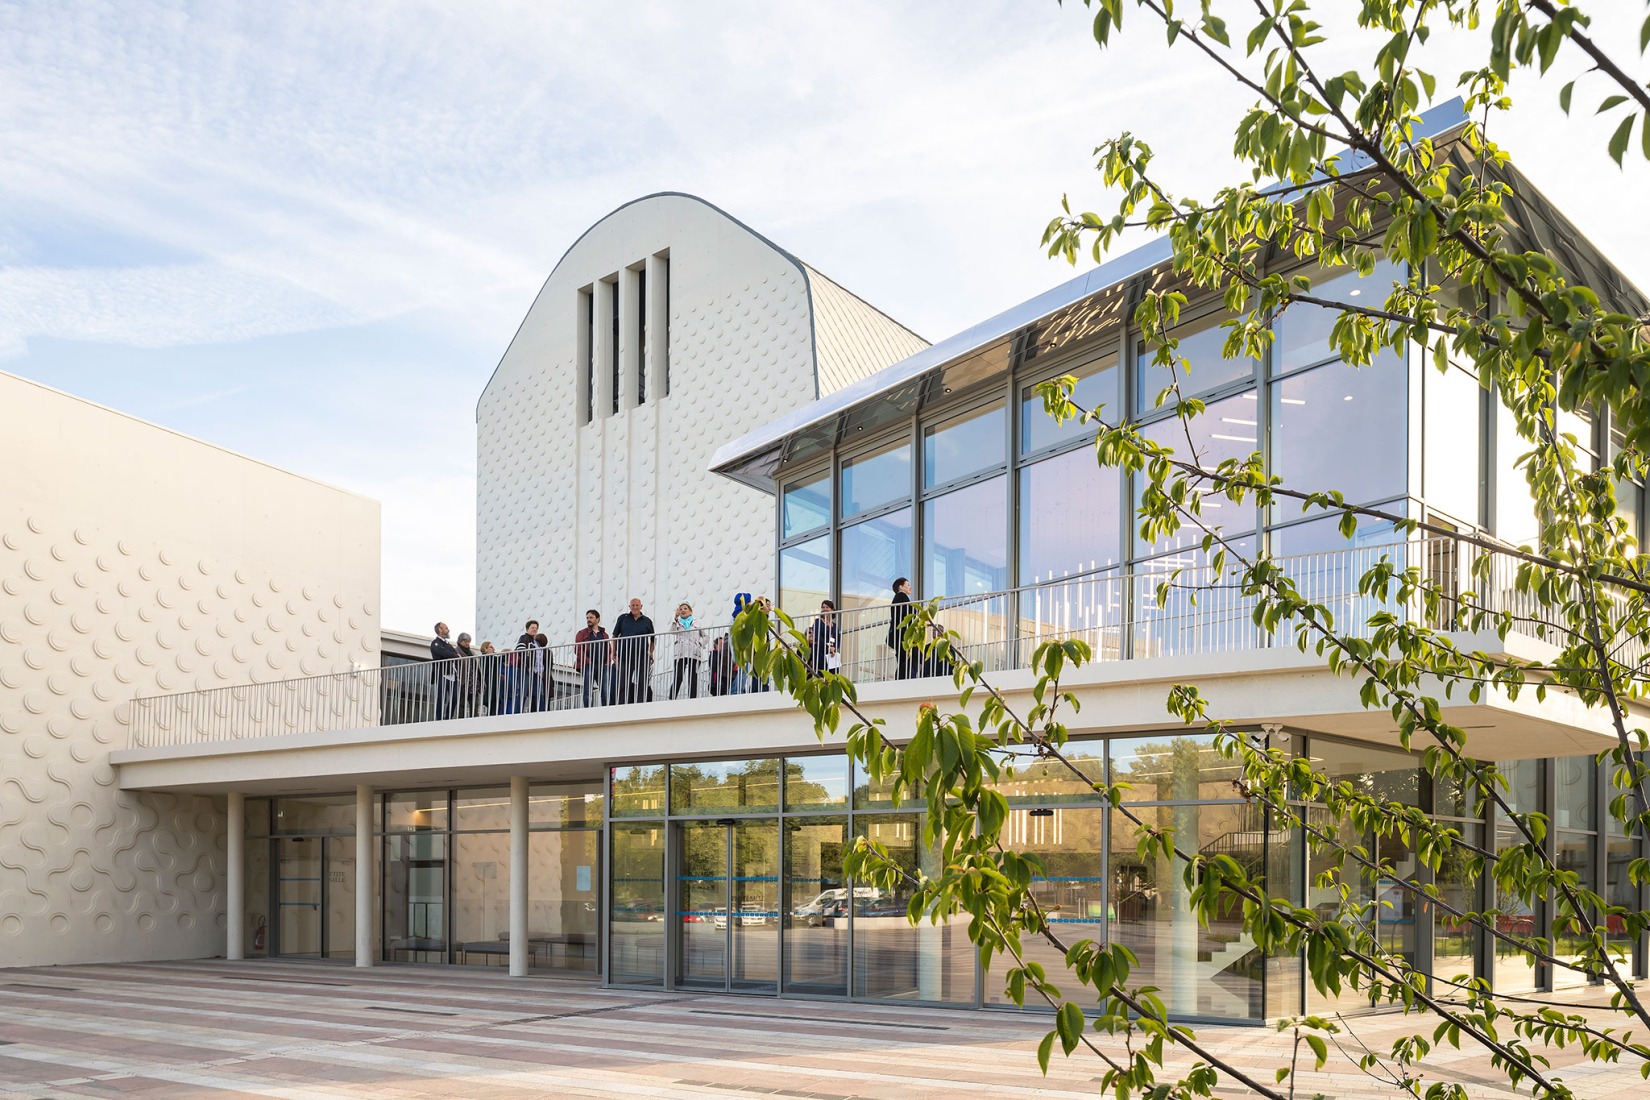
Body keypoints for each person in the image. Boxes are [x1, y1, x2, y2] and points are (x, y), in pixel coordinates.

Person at [611, 598, 656, 703]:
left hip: (641, 656)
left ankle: (641, 704)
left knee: (642, 683)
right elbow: (614, 635)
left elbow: (653, 639)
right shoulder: (623, 618)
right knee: (622, 683)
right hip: (625, 655)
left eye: (637, 605)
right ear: (629, 607)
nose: (635, 607)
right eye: (633, 605)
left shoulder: (647, 621)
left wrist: (650, 653)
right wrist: (614, 652)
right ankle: (622, 705)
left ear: (641, 606)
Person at [574, 609, 612, 708]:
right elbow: (578, 649)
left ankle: (606, 709)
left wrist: (607, 662)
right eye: (587, 618)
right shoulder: (582, 633)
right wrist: (587, 661)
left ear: (597, 619)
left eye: (591, 617)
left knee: (605, 690)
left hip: (602, 665)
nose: (588, 620)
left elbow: (609, 649)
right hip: (589, 665)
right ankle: (588, 710)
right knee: (588, 690)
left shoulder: (604, 634)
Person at [669, 603, 708, 699]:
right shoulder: (677, 622)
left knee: (693, 677)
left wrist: (700, 644)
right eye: (681, 609)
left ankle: (692, 699)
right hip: (680, 653)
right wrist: (675, 618)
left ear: (690, 611)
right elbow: (672, 632)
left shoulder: (697, 622)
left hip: (694, 653)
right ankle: (671, 698)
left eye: (685, 608)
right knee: (678, 676)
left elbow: (706, 636)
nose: (683, 610)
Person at [887, 578, 921, 680]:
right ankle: (906, 679)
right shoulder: (901, 597)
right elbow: (910, 613)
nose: (910, 587)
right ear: (901, 587)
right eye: (908, 585)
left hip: (900, 635)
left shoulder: (898, 598)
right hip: (903, 635)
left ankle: (903, 678)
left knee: (904, 659)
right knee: (908, 658)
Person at [430, 621, 459, 719]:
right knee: (441, 697)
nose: (448, 630)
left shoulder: (447, 644)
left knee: (454, 697)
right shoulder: (435, 643)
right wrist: (455, 655)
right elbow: (444, 652)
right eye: (446, 628)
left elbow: (452, 652)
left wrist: (454, 655)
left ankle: (448, 717)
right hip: (442, 673)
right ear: (440, 630)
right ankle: (439, 718)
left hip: (452, 673)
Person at [807, 600, 840, 677]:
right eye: (823, 607)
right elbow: (817, 636)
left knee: (833, 674)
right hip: (820, 651)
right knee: (821, 673)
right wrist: (828, 647)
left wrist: (833, 648)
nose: (824, 609)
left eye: (827, 607)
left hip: (831, 653)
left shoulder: (834, 626)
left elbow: (838, 639)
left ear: (832, 610)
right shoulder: (818, 622)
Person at [454, 632, 479, 717]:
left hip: (473, 680)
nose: (467, 643)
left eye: (468, 641)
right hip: (463, 680)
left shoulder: (471, 652)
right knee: (462, 702)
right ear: (460, 641)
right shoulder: (456, 651)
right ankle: (461, 719)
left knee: (475, 703)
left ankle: (474, 718)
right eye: (465, 641)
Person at [479, 641, 502, 715]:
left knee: (493, 706)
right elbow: (499, 660)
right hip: (491, 687)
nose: (493, 649)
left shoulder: (486, 658)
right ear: (485, 649)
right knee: (493, 706)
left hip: (491, 687)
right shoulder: (487, 658)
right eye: (491, 647)